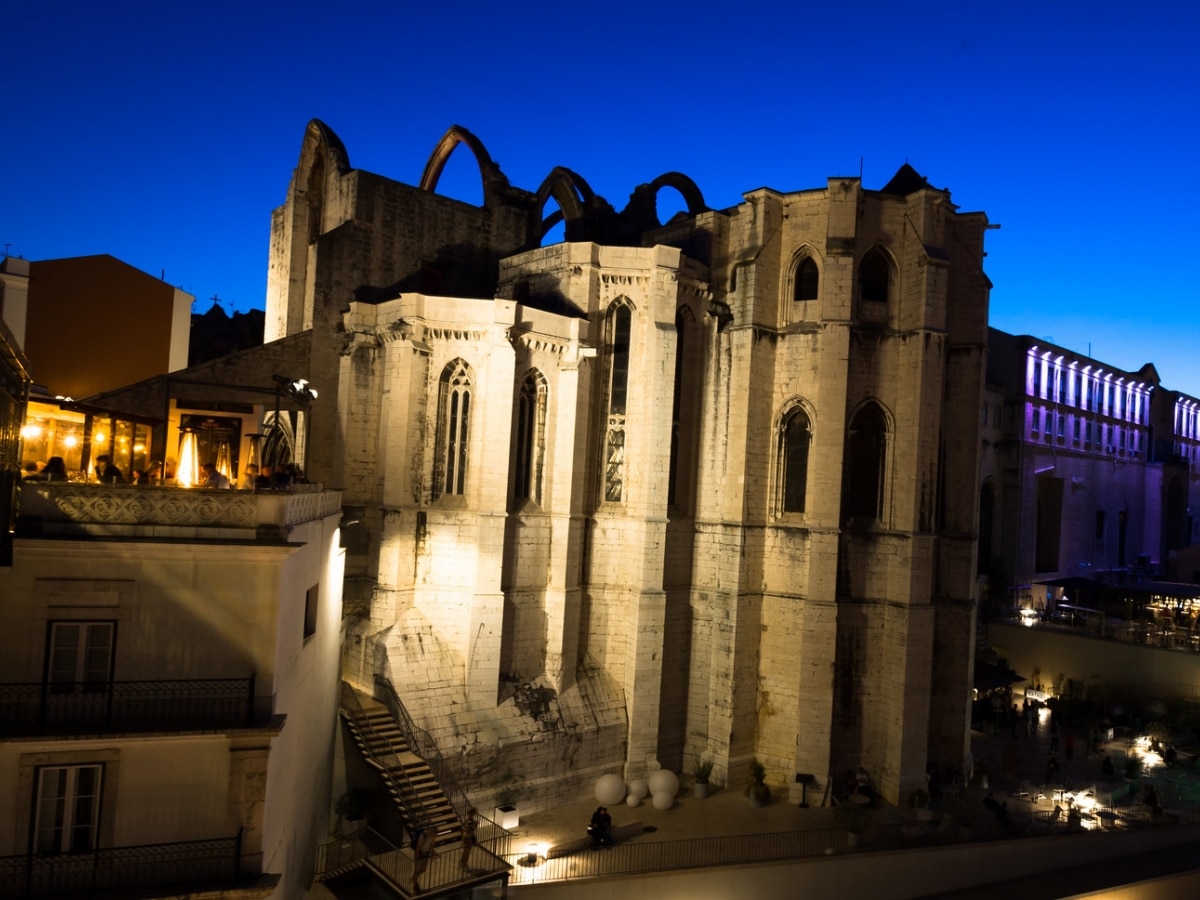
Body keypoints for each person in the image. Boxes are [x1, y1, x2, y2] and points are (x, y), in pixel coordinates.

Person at [412, 826, 437, 891]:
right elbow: (418, 847)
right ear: (430, 831)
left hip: (425, 854)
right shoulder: (423, 835)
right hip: (419, 854)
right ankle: (415, 885)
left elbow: (431, 845)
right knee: (417, 870)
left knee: (423, 869)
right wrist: (416, 857)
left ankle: (414, 877)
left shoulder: (433, 837)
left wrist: (432, 853)